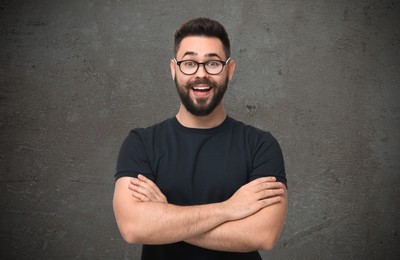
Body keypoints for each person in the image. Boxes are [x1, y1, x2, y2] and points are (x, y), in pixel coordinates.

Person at [113, 17, 288, 260]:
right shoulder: (141, 144)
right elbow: (134, 228)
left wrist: (164, 217)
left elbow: (263, 235)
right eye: (189, 63)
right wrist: (229, 209)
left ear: (230, 69)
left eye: (213, 63)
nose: (201, 74)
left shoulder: (261, 146)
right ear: (174, 69)